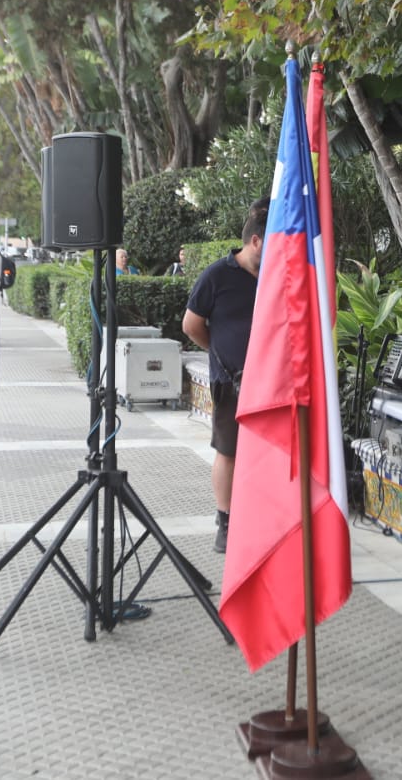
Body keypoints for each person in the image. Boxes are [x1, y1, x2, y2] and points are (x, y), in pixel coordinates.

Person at [182, 199, 266, 554]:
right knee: (229, 452)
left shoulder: (279, 276)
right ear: (256, 242)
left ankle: (264, 518)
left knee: (266, 454)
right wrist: (220, 355)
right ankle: (226, 522)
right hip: (231, 381)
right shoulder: (217, 275)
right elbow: (191, 325)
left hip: (272, 384)